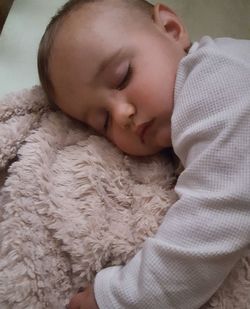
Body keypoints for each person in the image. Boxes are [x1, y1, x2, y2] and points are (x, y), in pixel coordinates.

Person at [37, 0, 250, 308]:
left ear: (171, 29)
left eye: (123, 76)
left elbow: (212, 220)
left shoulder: (216, 83)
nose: (122, 113)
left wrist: (121, 297)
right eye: (103, 121)